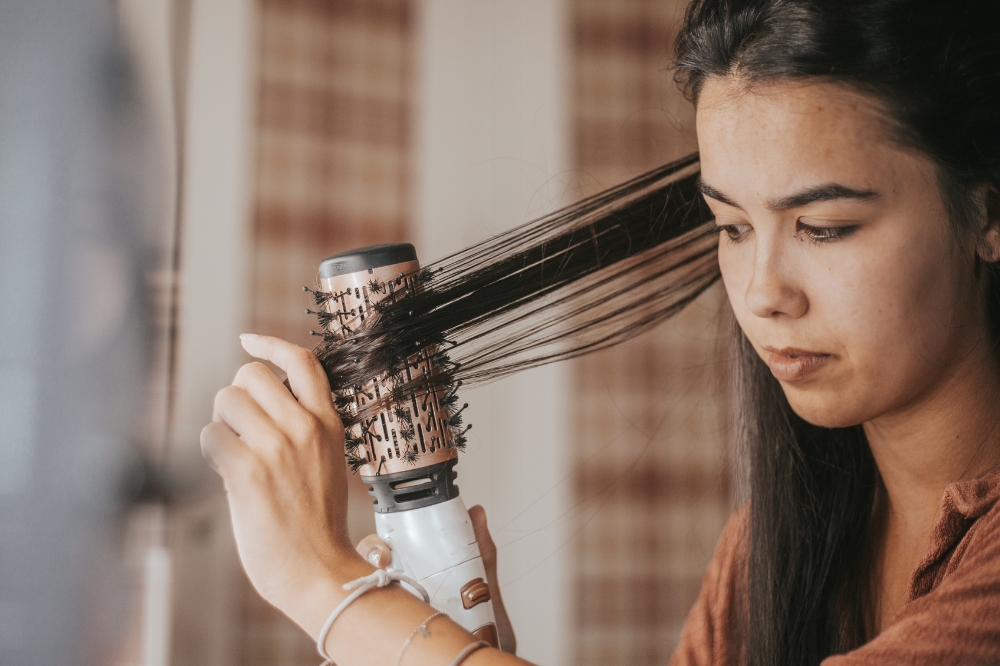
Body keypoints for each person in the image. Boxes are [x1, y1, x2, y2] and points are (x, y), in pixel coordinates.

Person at [200, 0, 1000, 663]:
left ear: (986, 214)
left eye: (824, 226)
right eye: (730, 228)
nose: (762, 294)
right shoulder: (774, 543)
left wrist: (327, 588)